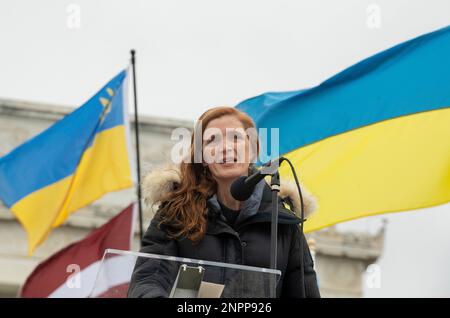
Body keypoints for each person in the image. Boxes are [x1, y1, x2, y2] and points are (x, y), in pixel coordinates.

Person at [128, 106, 320, 298]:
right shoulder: (174, 213)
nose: (225, 147)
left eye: (235, 138)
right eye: (212, 140)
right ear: (202, 158)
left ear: (252, 151)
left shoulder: (284, 223)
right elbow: (147, 280)